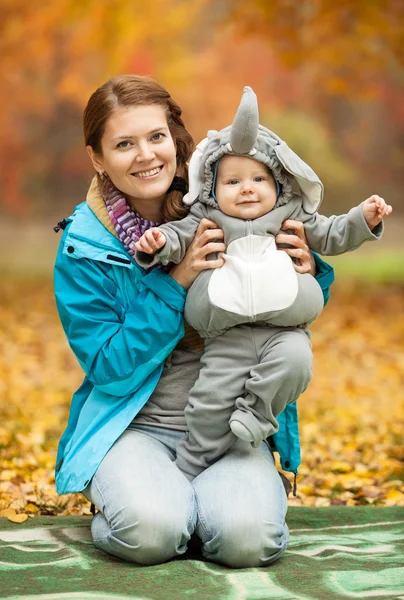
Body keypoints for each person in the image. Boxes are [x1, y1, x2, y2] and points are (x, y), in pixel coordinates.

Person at [54, 74, 335, 568]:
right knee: (151, 532)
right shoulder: (84, 247)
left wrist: (309, 271)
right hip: (135, 427)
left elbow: (286, 317)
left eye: (156, 137)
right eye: (124, 144)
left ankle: (201, 505)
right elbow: (111, 367)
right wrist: (175, 282)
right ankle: (145, 505)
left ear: (175, 140)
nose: (145, 155)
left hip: (233, 424)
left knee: (248, 542)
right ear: (98, 158)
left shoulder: (228, 194)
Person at [134, 86, 392, 481]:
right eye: (233, 182)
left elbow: (334, 233)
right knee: (209, 403)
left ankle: (256, 416)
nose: (247, 188)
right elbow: (176, 237)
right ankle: (187, 471)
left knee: (296, 365)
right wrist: (157, 244)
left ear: (278, 185)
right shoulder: (208, 217)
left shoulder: (292, 217)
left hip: (283, 331)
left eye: (257, 178)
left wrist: (364, 218)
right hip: (226, 335)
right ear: (213, 190)